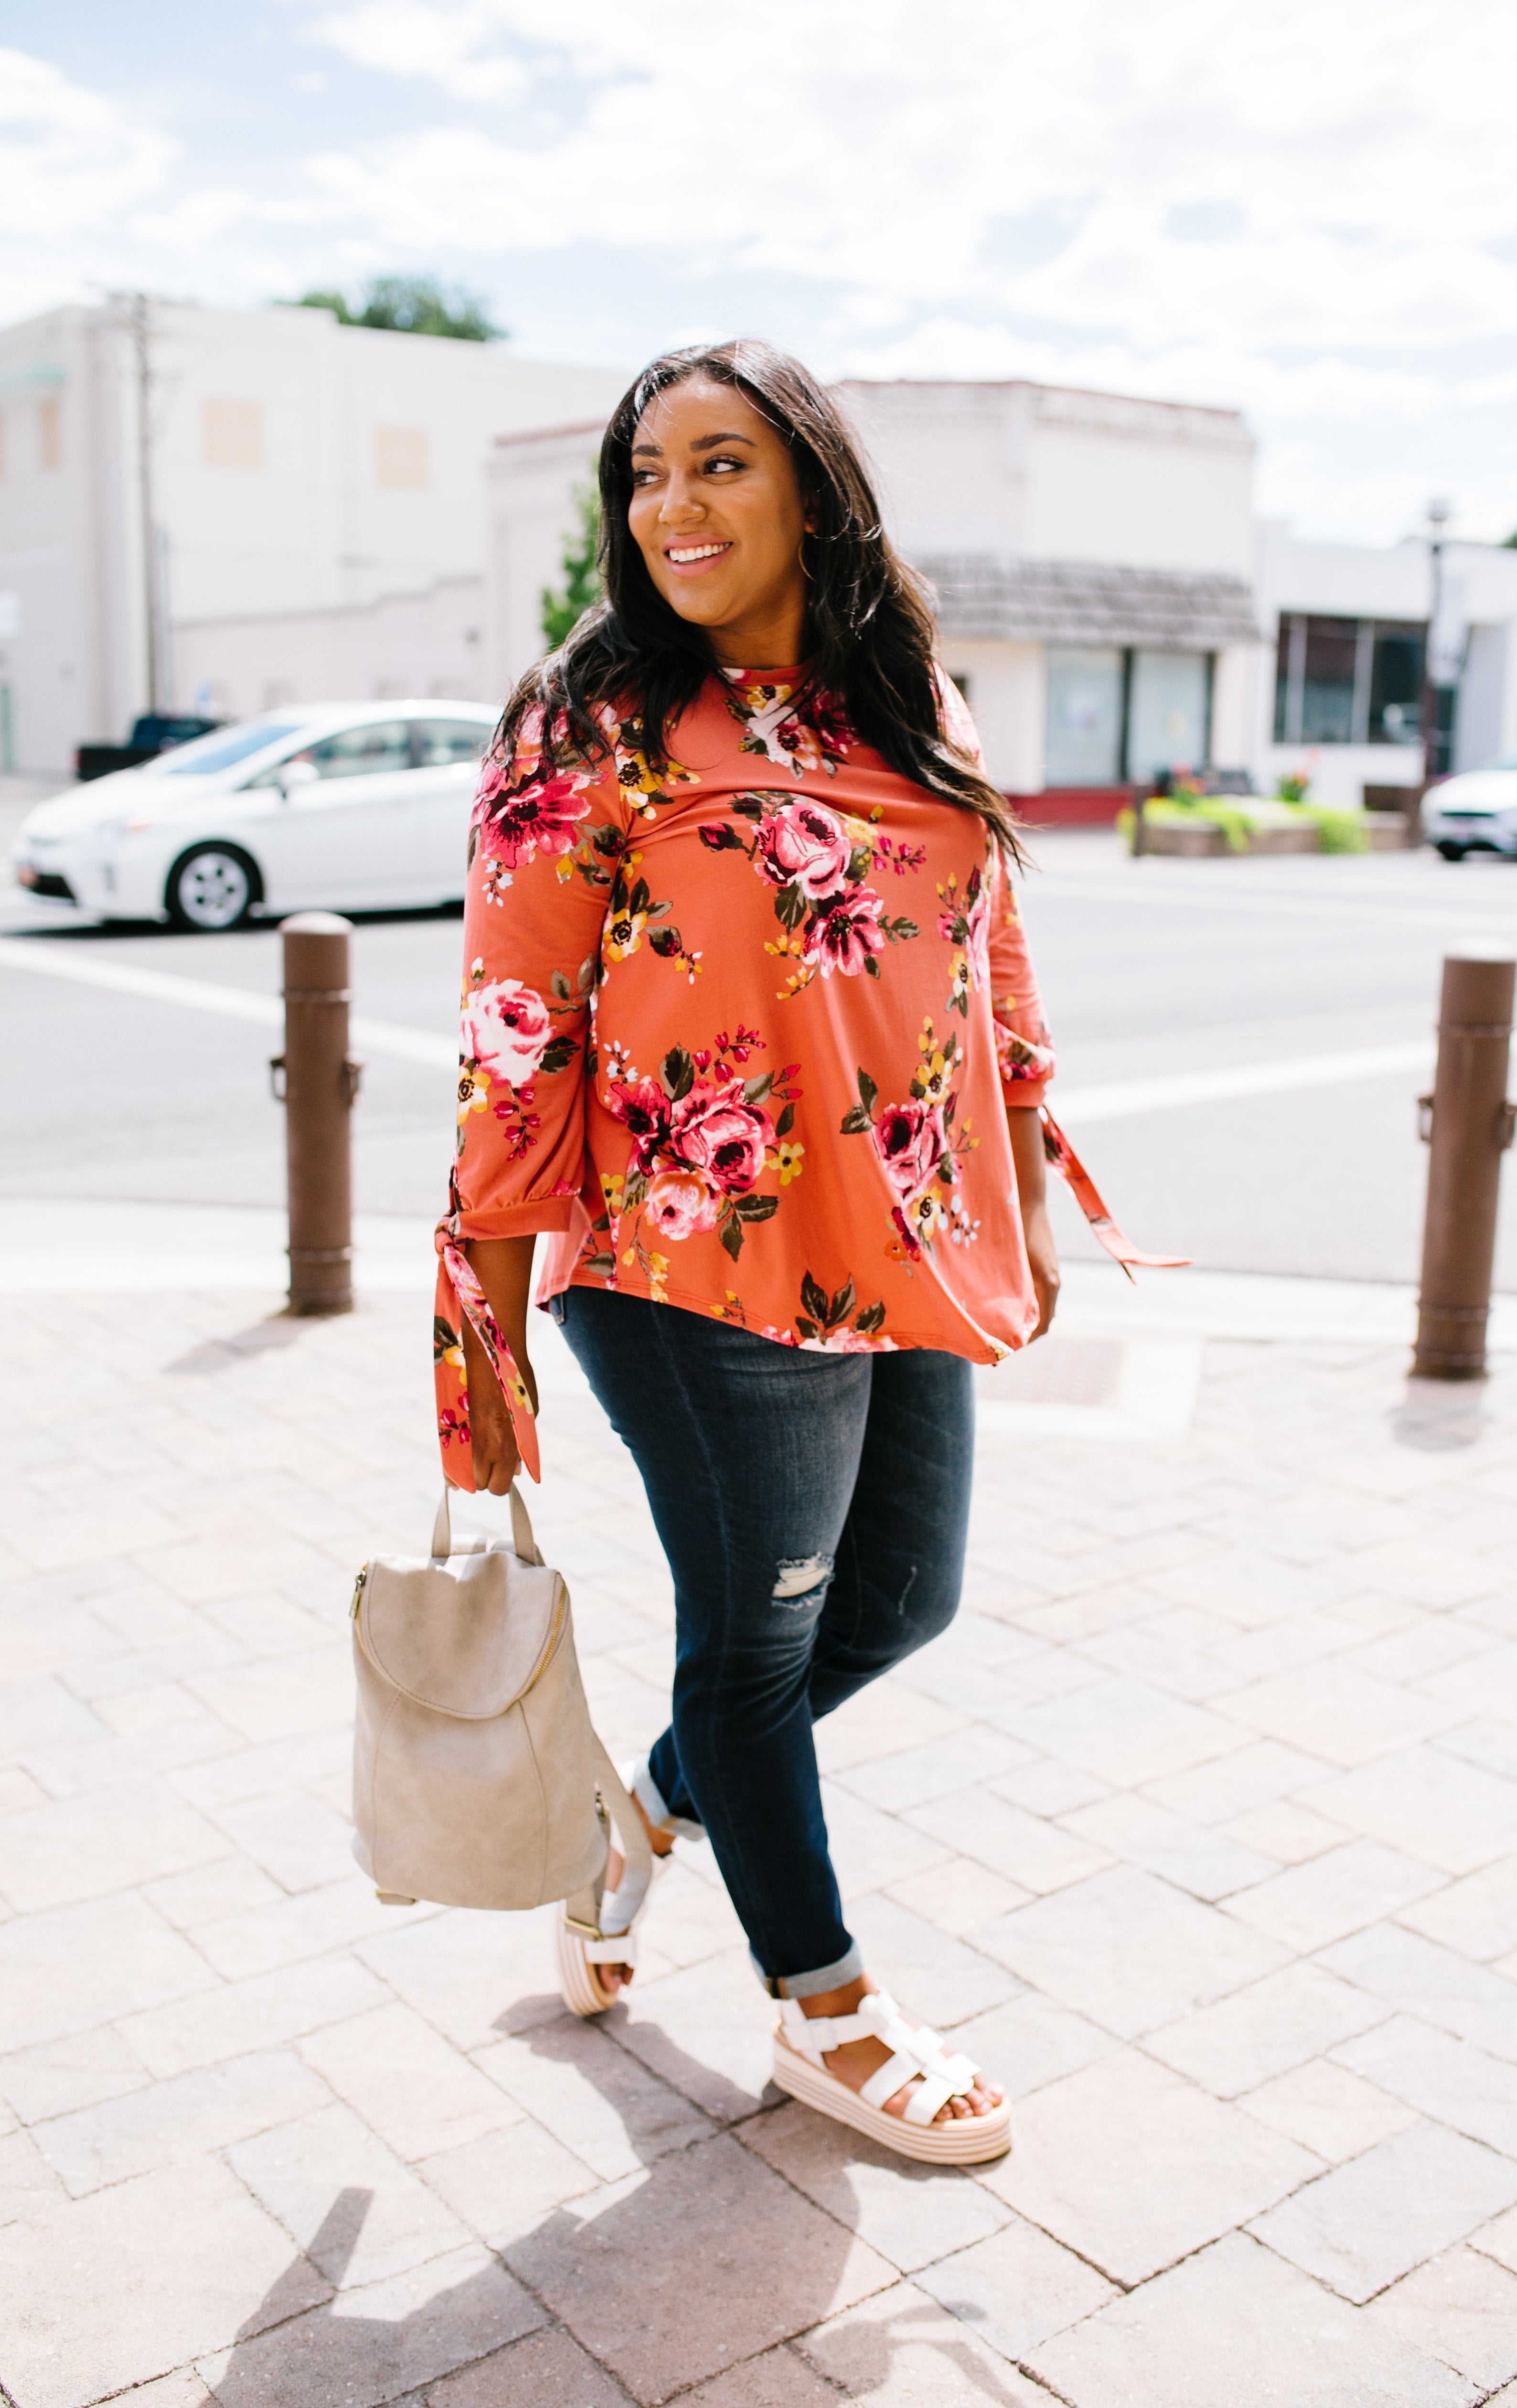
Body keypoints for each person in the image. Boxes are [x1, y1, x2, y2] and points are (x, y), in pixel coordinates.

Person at [433, 338, 1069, 2165]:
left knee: (899, 1606)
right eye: (645, 473)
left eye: (718, 463)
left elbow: (986, 935)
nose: (671, 506)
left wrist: (1017, 1154)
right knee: (760, 1637)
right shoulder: (597, 714)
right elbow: (516, 1012)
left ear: (811, 485)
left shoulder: (905, 693)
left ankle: (644, 1813)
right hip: (688, 1255)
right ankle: (828, 2013)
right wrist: (480, 1284)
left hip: (903, 1236)